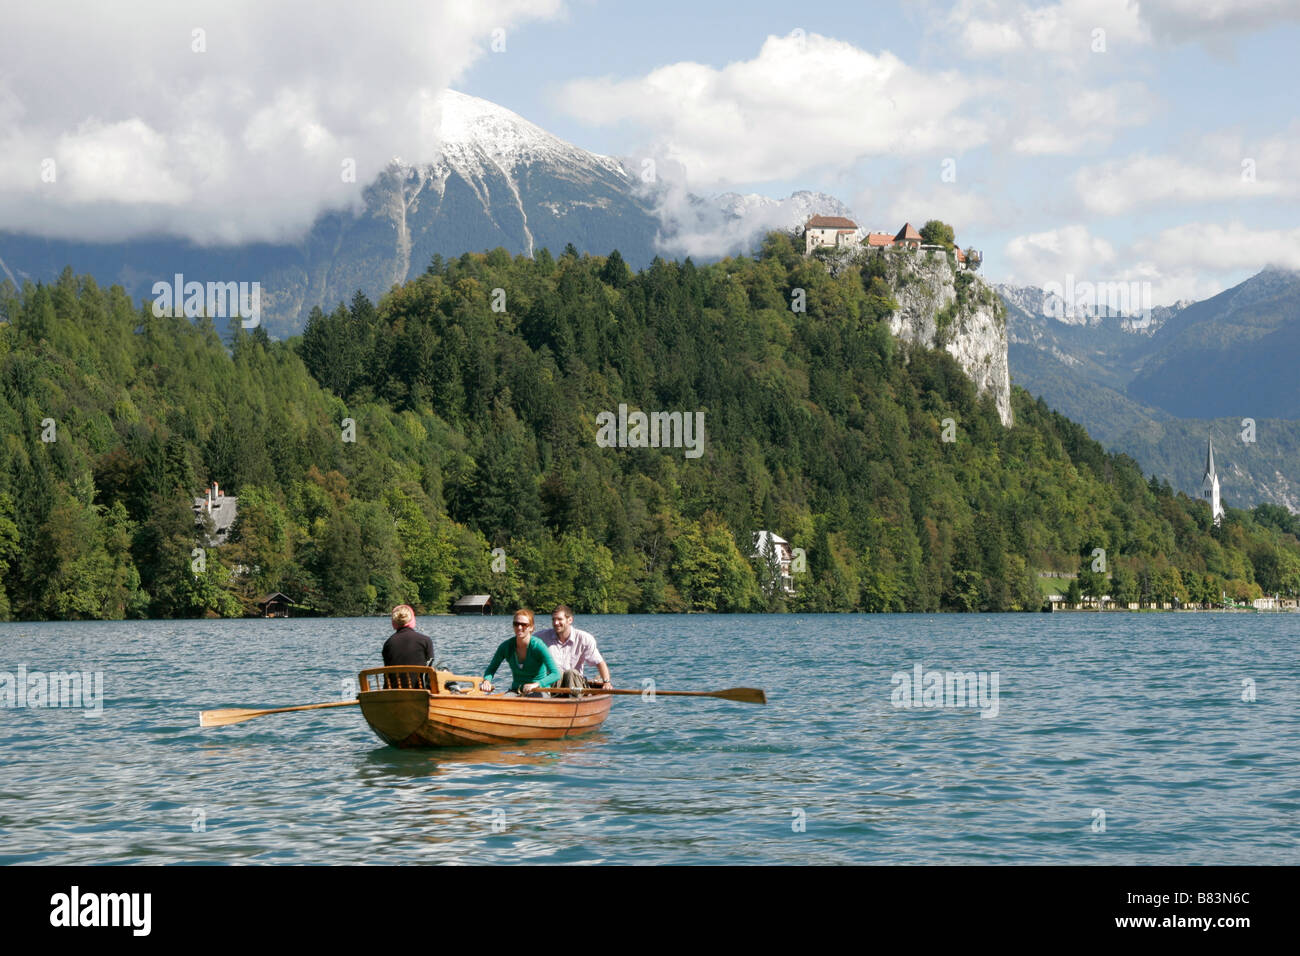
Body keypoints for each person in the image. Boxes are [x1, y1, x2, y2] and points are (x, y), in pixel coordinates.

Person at [480, 609, 561, 696]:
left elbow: (556, 674)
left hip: (539, 690)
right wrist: (487, 681)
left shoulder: (539, 646)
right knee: (503, 703)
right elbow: (491, 669)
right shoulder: (505, 646)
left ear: (531, 627)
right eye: (516, 624)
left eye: (524, 625)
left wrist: (536, 684)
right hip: (516, 690)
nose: (519, 627)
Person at [536, 605, 611, 689]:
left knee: (570, 673)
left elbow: (599, 662)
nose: (555, 623)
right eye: (553, 619)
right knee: (557, 673)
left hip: (575, 685)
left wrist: (606, 682)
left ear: (570, 620)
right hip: (553, 685)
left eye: (559, 619)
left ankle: (574, 699)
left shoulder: (584, 638)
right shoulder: (540, 637)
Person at [382, 604, 433, 688]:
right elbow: (429, 668)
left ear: (394, 621)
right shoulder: (425, 640)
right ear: (412, 619)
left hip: (393, 693)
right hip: (419, 691)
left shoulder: (388, 643)